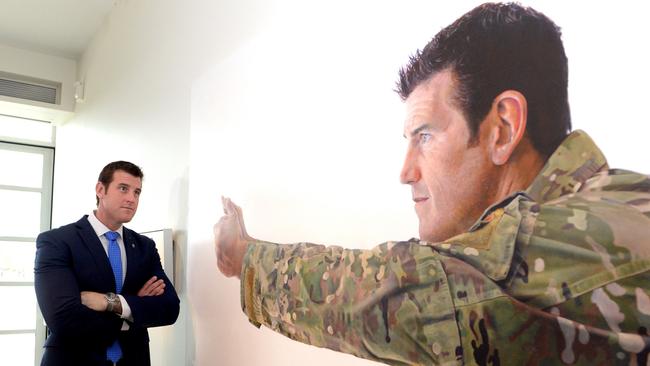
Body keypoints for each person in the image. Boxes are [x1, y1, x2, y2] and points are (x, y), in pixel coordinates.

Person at [214, 3, 650, 365]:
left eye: (424, 135)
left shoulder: (585, 237)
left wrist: (247, 258)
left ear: (502, 127)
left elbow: (402, 289)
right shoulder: (617, 199)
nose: (406, 171)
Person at [35, 161, 180, 366]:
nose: (131, 199)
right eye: (123, 189)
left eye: (137, 192)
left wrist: (110, 302)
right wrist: (133, 309)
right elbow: (62, 319)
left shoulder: (144, 247)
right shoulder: (58, 241)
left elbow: (169, 308)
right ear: (100, 189)